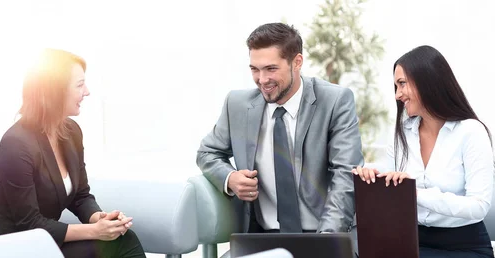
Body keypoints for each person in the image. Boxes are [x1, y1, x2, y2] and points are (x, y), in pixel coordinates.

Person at [197, 22, 363, 238]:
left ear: (297, 62)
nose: (262, 80)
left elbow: (346, 175)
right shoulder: (237, 104)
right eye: (255, 69)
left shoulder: (334, 101)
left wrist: (325, 243)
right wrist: (230, 178)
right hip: (262, 236)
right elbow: (207, 153)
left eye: (271, 69)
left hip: (324, 234)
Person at [0, 49, 145, 258]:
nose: (87, 91)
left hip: (50, 242)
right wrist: (95, 231)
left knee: (124, 239)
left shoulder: (71, 131)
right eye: (80, 85)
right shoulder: (16, 143)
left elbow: (80, 196)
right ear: (54, 91)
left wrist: (98, 218)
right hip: (20, 247)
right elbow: (29, 223)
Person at [353, 45, 494, 258]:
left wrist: (415, 193)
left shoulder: (471, 132)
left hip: (464, 246)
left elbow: (479, 206)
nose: (397, 95)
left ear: (427, 82)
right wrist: (371, 175)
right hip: (411, 240)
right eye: (396, 87)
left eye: (402, 84)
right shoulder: (403, 132)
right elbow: (390, 176)